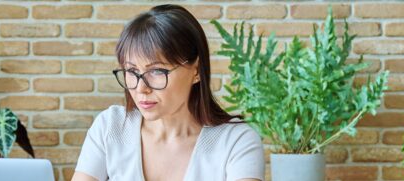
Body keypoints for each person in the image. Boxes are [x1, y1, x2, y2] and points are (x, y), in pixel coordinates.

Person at [71, 4, 265, 181]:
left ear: (196, 70)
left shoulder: (236, 141)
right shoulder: (111, 127)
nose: (141, 88)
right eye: (132, 71)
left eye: (157, 71)